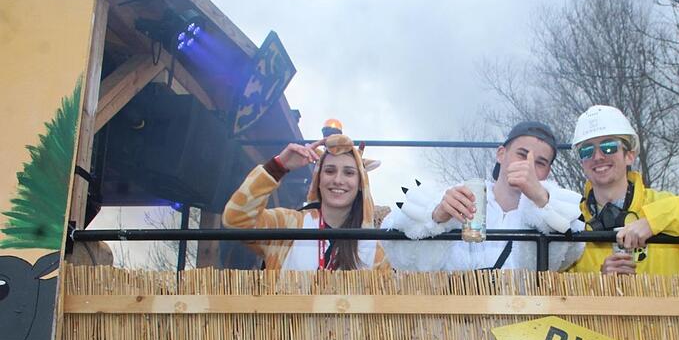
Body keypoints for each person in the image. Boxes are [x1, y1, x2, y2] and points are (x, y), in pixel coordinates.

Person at [381, 121, 584, 271]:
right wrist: (436, 217)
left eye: (540, 163)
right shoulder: (460, 196)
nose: (528, 166)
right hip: (457, 322)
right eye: (521, 154)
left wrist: (542, 201)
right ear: (501, 154)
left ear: (548, 172)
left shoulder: (556, 210)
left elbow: (567, 255)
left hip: (519, 324)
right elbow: (402, 258)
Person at [568, 105, 679, 275]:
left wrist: (655, 222)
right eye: (587, 150)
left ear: (630, 155)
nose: (598, 156)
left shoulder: (666, 210)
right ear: (582, 163)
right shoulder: (572, 224)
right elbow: (559, 296)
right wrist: (600, 282)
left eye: (608, 147)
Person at [222, 134, 387, 270]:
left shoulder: (374, 249)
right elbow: (236, 220)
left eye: (349, 173)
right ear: (318, 179)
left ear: (361, 184)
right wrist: (279, 166)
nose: (338, 180)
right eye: (329, 171)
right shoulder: (290, 225)